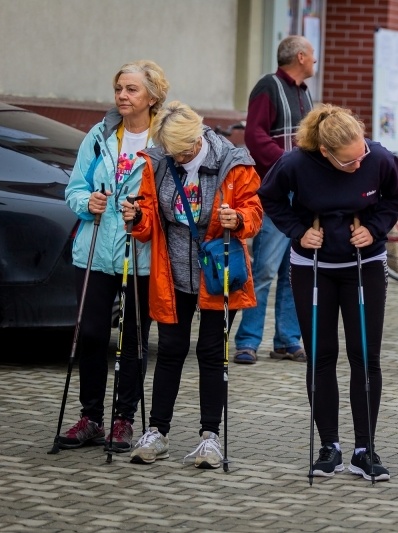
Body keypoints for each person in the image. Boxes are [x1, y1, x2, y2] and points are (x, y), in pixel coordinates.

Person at [260, 104, 398, 481]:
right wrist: (298, 231)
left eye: (361, 154)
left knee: (365, 356)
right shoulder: (296, 163)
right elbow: (270, 197)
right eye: (349, 162)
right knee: (321, 356)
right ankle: (330, 447)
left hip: (364, 267)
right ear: (325, 153)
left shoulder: (377, 157)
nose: (359, 164)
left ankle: (365, 449)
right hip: (313, 269)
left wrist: (375, 228)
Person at [121, 101, 262, 469]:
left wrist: (239, 218)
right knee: (170, 350)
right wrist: (137, 217)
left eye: (185, 151)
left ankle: (210, 437)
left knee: (212, 353)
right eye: (172, 152)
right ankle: (157, 432)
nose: (180, 158)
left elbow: (254, 212)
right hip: (172, 273)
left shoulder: (233, 163)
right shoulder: (159, 163)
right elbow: (150, 218)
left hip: (217, 273)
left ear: (198, 138)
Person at [61, 60, 169, 453]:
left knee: (133, 339)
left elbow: (173, 201)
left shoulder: (165, 140)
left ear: (153, 96)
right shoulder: (99, 134)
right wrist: (86, 201)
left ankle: (124, 418)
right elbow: (73, 189)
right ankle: (90, 416)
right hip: (93, 250)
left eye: (132, 90)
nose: (123, 96)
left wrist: (143, 214)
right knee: (91, 334)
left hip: (140, 253)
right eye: (119, 88)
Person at [233, 35, 316, 364]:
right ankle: (247, 340)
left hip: (303, 195)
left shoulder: (305, 93)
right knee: (265, 269)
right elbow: (255, 136)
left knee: (294, 271)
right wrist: (290, 166)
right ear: (299, 56)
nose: (315, 60)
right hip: (277, 192)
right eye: (312, 55)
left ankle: (286, 340)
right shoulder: (267, 87)